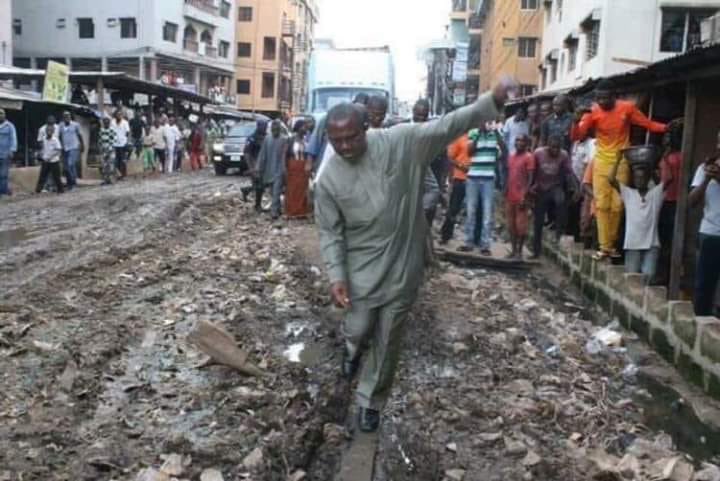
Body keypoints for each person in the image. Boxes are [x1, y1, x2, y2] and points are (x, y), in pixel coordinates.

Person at [315, 81, 511, 432]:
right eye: (336, 141)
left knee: (389, 337)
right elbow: (330, 232)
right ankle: (351, 349)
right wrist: (336, 275)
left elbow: (447, 125)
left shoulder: (401, 142)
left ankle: (370, 399)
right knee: (358, 327)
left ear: (367, 129)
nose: (344, 147)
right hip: (361, 266)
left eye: (351, 138)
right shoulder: (329, 179)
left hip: (403, 264)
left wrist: (489, 103)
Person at [572, 80, 671, 260]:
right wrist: (576, 121)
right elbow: (577, 135)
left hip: (621, 159)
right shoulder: (592, 112)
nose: (602, 101)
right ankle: (605, 247)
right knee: (601, 204)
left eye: (606, 98)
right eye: (599, 98)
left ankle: (611, 243)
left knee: (617, 205)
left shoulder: (627, 108)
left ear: (614, 96)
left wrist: (665, 127)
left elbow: (646, 123)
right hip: (601, 159)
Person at [608, 153, 669, 281]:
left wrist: (660, 160)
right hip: (633, 244)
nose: (639, 180)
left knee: (648, 277)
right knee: (632, 280)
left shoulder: (655, 194)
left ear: (648, 179)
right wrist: (618, 159)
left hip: (651, 244)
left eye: (642, 178)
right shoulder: (628, 193)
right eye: (636, 178)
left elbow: (668, 178)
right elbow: (610, 179)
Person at [460, 121, 503, 255]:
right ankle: (468, 242)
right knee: (470, 211)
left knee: (487, 214)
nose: (486, 123)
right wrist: (479, 134)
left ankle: (485, 245)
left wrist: (495, 131)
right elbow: (470, 152)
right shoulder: (473, 133)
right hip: (473, 177)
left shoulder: (495, 134)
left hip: (488, 179)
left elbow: (502, 148)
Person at [531, 135, 577, 258]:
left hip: (554, 186)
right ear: (548, 147)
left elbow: (569, 172)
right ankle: (536, 251)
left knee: (561, 201)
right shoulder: (538, 153)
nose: (555, 150)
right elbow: (532, 170)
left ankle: (559, 231)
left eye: (557, 148)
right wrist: (530, 187)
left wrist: (576, 188)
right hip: (540, 187)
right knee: (538, 221)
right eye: (553, 148)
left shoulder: (564, 155)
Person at [689, 134, 720, 316]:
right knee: (703, 285)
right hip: (709, 234)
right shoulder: (704, 168)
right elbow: (691, 202)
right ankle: (700, 324)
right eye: (718, 140)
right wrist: (707, 179)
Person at [657, 127, 683, 283]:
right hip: (682, 201)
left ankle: (663, 277)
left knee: (665, 241)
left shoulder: (668, 158)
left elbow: (666, 180)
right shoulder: (685, 155)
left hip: (668, 201)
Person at [412, 99, 442, 225]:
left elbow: (442, 157)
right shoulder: (401, 128)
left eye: (423, 116)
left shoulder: (432, 131)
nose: (420, 118)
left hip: (428, 174)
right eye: (418, 115)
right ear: (413, 112)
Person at [505, 135, 535, 259]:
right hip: (510, 195)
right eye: (517, 140)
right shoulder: (511, 157)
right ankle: (513, 250)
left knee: (521, 226)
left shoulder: (529, 157)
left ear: (526, 143)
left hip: (522, 196)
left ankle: (519, 251)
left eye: (521, 140)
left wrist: (525, 195)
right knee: (511, 225)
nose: (518, 143)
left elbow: (530, 178)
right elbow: (509, 174)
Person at [440, 134, 471, 244]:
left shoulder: (480, 137)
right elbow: (450, 158)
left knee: (473, 210)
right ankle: (445, 235)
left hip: (477, 179)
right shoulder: (460, 138)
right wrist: (461, 166)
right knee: (454, 208)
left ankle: (472, 241)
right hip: (460, 177)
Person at [256, 120, 288, 220]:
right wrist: (259, 168)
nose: (275, 131)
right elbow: (262, 155)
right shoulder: (267, 139)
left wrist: (285, 169)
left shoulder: (284, 139)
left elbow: (285, 156)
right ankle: (277, 209)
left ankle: (273, 212)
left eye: (277, 129)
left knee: (276, 191)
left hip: (279, 170)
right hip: (268, 169)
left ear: (279, 129)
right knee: (272, 192)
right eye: (273, 129)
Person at [285, 119, 312, 218]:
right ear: (298, 128)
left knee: (302, 188)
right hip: (293, 165)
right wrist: (285, 168)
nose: (306, 129)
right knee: (293, 189)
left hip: (303, 166)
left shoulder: (306, 140)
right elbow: (285, 154)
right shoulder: (291, 139)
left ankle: (301, 211)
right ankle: (292, 211)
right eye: (304, 127)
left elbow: (309, 154)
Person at [241, 120, 269, 210]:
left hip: (264, 165)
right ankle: (257, 205)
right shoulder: (252, 138)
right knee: (259, 186)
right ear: (258, 126)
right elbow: (247, 153)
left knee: (264, 185)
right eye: (263, 126)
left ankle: (246, 190)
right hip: (255, 164)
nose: (265, 128)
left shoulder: (266, 137)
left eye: (266, 126)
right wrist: (251, 167)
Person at [59, 111, 84, 190]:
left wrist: (82, 145)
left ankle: (73, 183)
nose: (67, 117)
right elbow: (59, 136)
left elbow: (80, 135)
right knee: (67, 167)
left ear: (70, 117)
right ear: (63, 117)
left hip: (74, 147)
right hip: (65, 148)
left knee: (70, 164)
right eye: (65, 116)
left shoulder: (76, 125)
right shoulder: (61, 125)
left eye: (68, 116)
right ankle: (70, 182)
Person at [35, 124, 63, 194]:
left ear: (53, 131)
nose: (49, 132)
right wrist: (41, 154)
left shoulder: (55, 140)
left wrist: (50, 156)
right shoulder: (44, 138)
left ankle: (60, 190)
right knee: (42, 176)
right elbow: (43, 148)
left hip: (54, 161)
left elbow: (58, 150)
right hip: (45, 160)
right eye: (47, 130)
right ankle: (38, 190)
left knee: (56, 177)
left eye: (50, 130)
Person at [0, 109, 17, 197]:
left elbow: (13, 138)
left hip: (5, 154)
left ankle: (3, 192)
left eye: (1, 113)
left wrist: (12, 150)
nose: (0, 115)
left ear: (5, 115)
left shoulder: (10, 126)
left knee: (3, 174)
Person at [98, 117, 118, 185]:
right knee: (104, 166)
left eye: (107, 122)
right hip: (103, 150)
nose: (106, 123)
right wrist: (101, 149)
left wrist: (109, 149)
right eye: (105, 122)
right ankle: (105, 180)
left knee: (111, 165)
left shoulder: (112, 130)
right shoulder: (101, 130)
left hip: (111, 150)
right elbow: (100, 141)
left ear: (109, 123)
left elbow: (114, 140)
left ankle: (111, 180)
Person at [111, 110, 130, 179]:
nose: (119, 116)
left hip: (123, 143)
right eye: (117, 114)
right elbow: (111, 131)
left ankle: (124, 174)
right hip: (115, 143)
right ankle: (118, 174)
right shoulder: (112, 122)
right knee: (116, 160)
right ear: (115, 115)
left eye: (120, 114)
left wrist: (125, 140)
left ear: (122, 115)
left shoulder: (125, 122)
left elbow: (127, 132)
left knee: (123, 160)